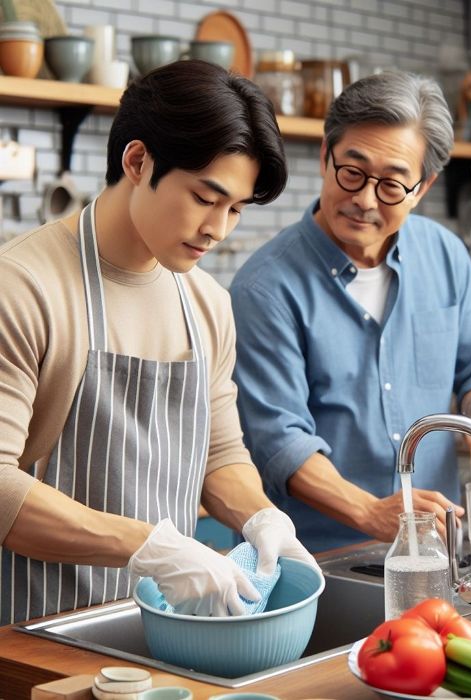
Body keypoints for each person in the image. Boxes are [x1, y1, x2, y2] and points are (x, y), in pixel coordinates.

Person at [0, 60, 317, 626]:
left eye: (236, 209)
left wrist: (262, 519)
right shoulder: (24, 287)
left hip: (166, 627)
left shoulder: (208, 306)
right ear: (138, 161)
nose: (218, 229)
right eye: (205, 197)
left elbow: (219, 456)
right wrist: (154, 547)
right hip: (32, 630)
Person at [229, 71, 471, 553]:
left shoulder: (445, 255)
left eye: (391, 185)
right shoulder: (265, 287)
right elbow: (280, 441)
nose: (364, 200)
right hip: (314, 562)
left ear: (422, 187)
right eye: (352, 172)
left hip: (435, 553)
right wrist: (371, 512)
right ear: (325, 156)